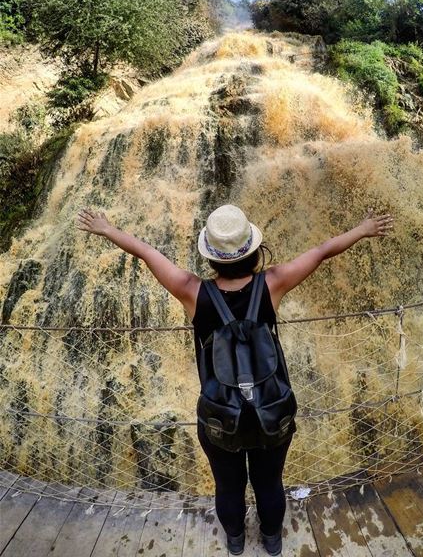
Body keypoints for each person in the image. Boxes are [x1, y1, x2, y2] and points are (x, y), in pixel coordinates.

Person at [76, 203, 393, 555]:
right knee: (269, 482)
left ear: (211, 257)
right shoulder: (273, 283)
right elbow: (321, 252)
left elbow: (147, 253)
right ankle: (272, 541)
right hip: (271, 409)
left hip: (219, 414)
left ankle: (236, 542)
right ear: (254, 250)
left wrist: (108, 229)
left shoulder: (191, 290)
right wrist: (363, 228)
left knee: (228, 486)